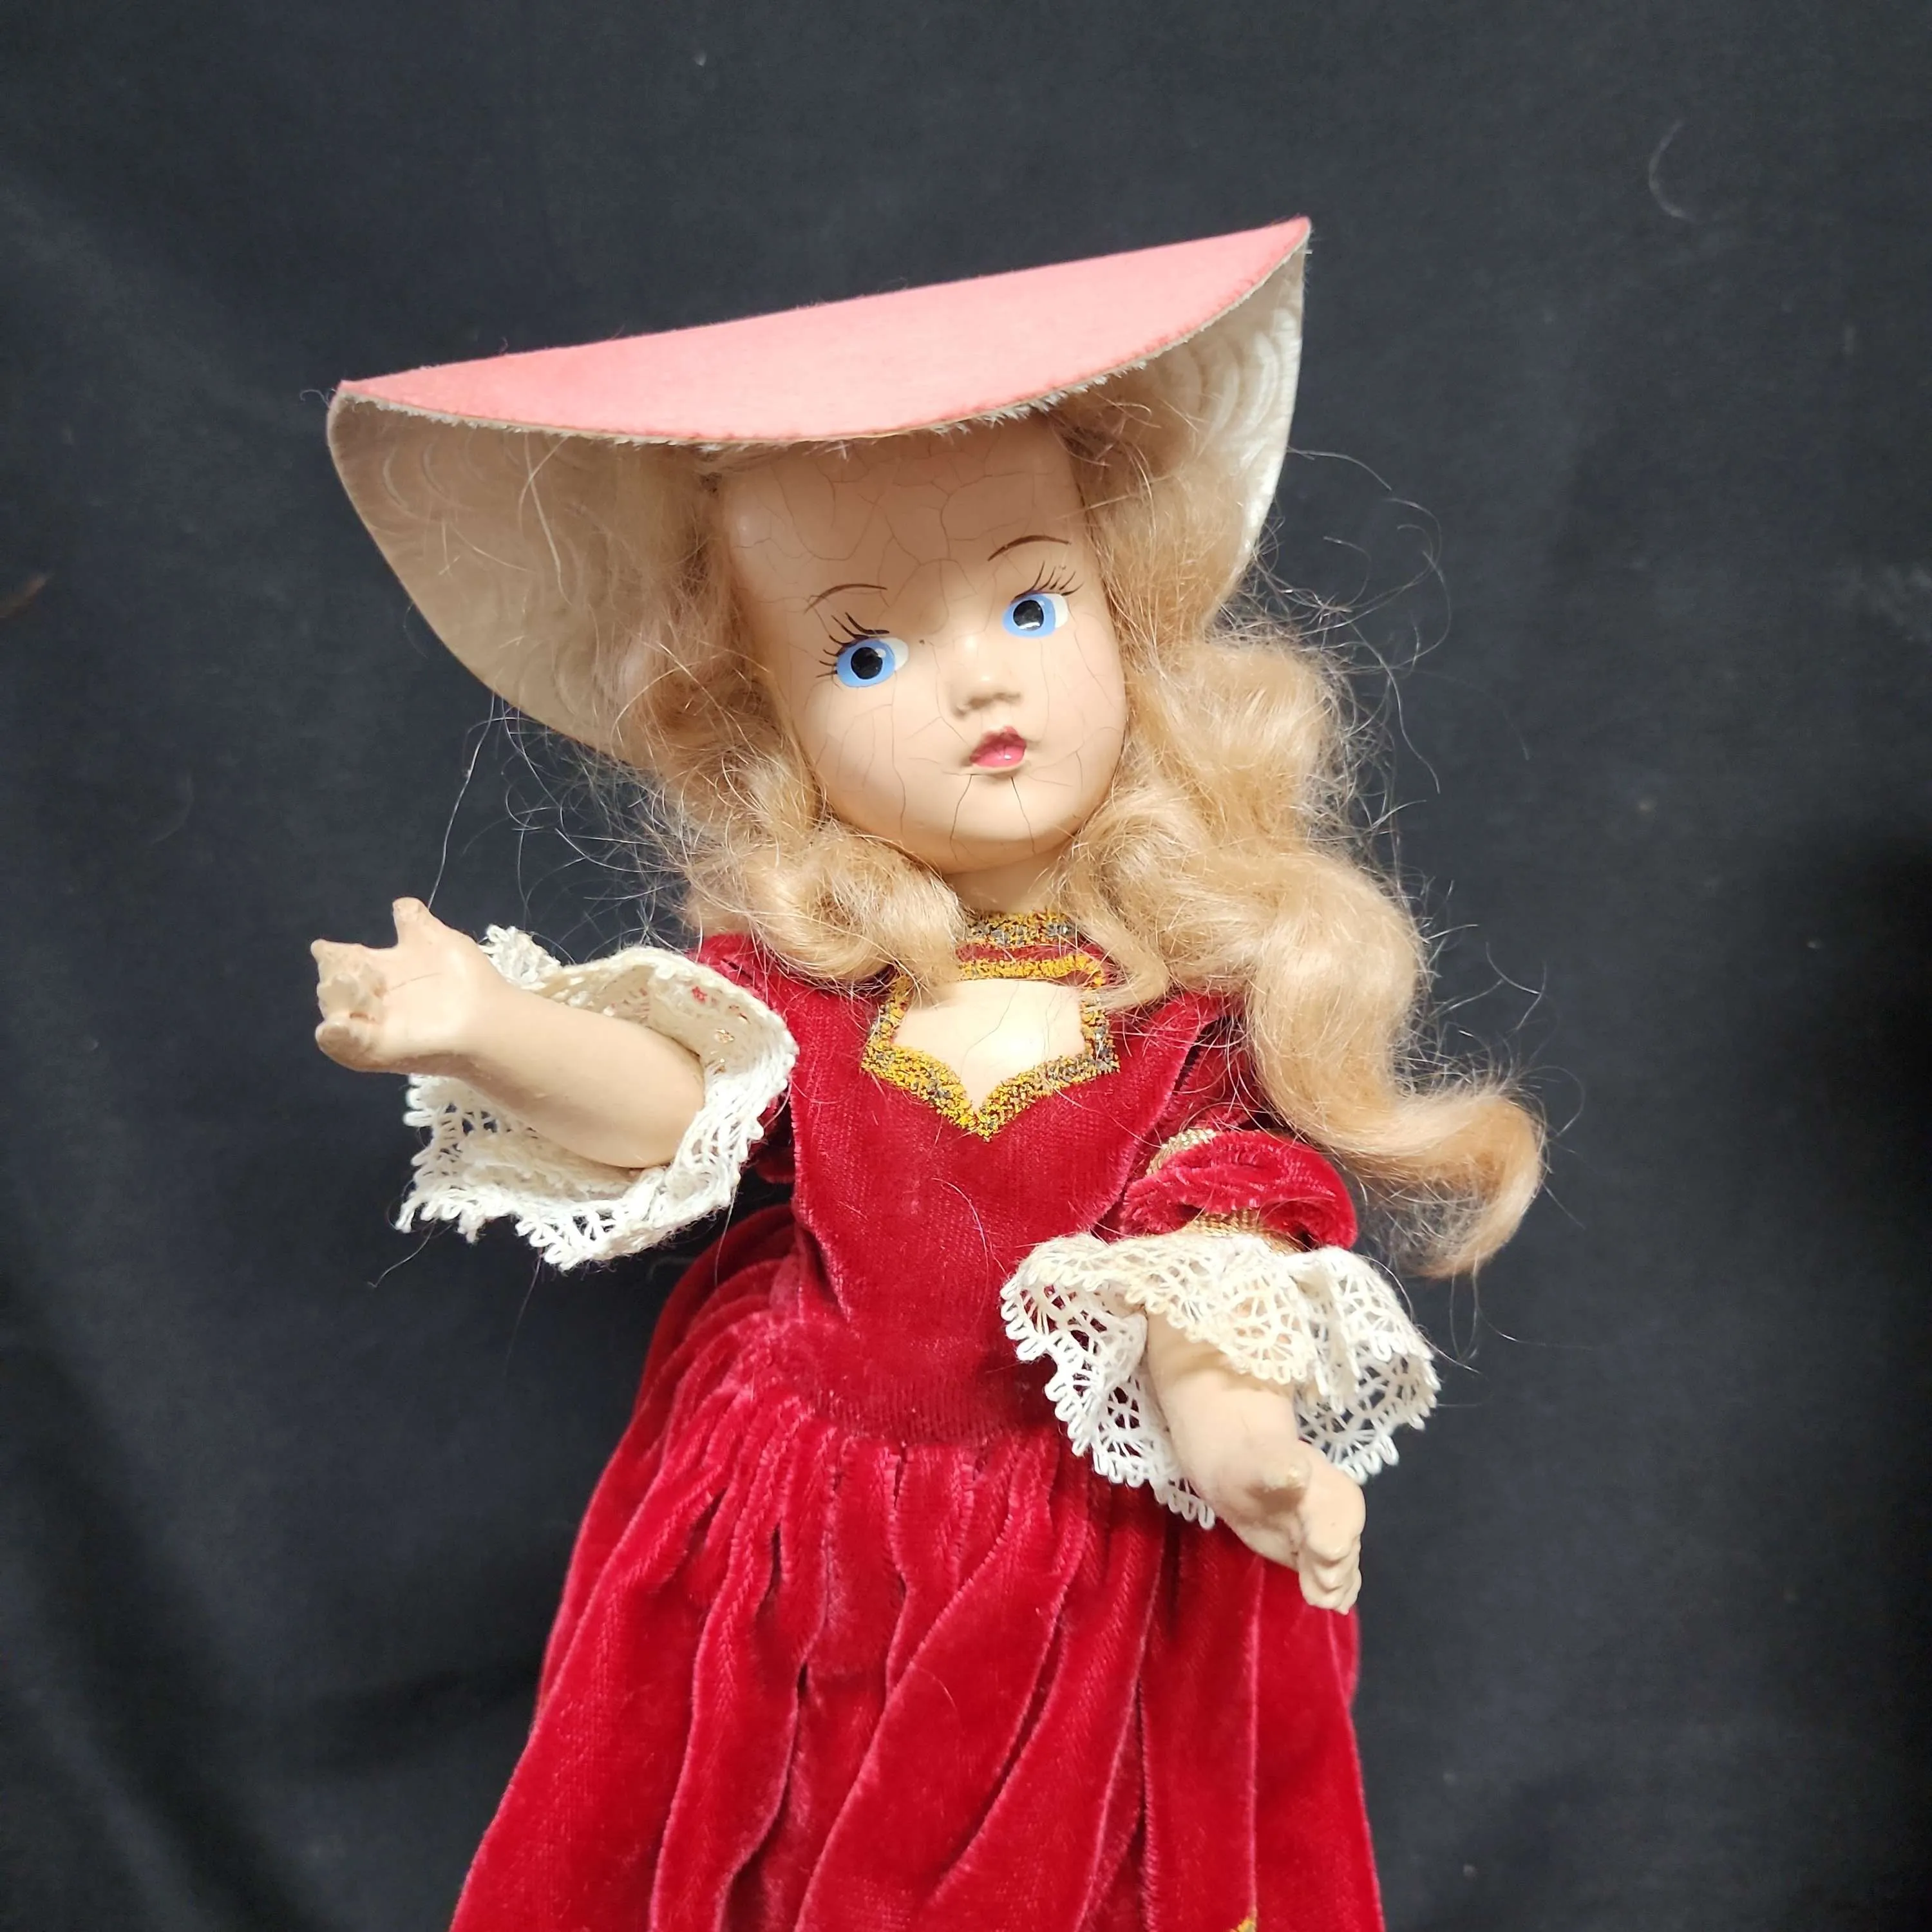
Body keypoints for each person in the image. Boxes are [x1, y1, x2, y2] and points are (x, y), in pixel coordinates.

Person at [312, 221, 1540, 1932]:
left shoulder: (1182, 1028)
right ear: (768, 722)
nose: (980, 682)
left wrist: (1238, 1435)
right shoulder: (813, 995)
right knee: (772, 1851)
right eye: (866, 655)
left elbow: (1217, 1254)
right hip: (796, 1534)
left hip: (1071, 1566)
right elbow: (680, 1104)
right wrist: (488, 1028)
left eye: (1034, 605)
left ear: (1128, 615)